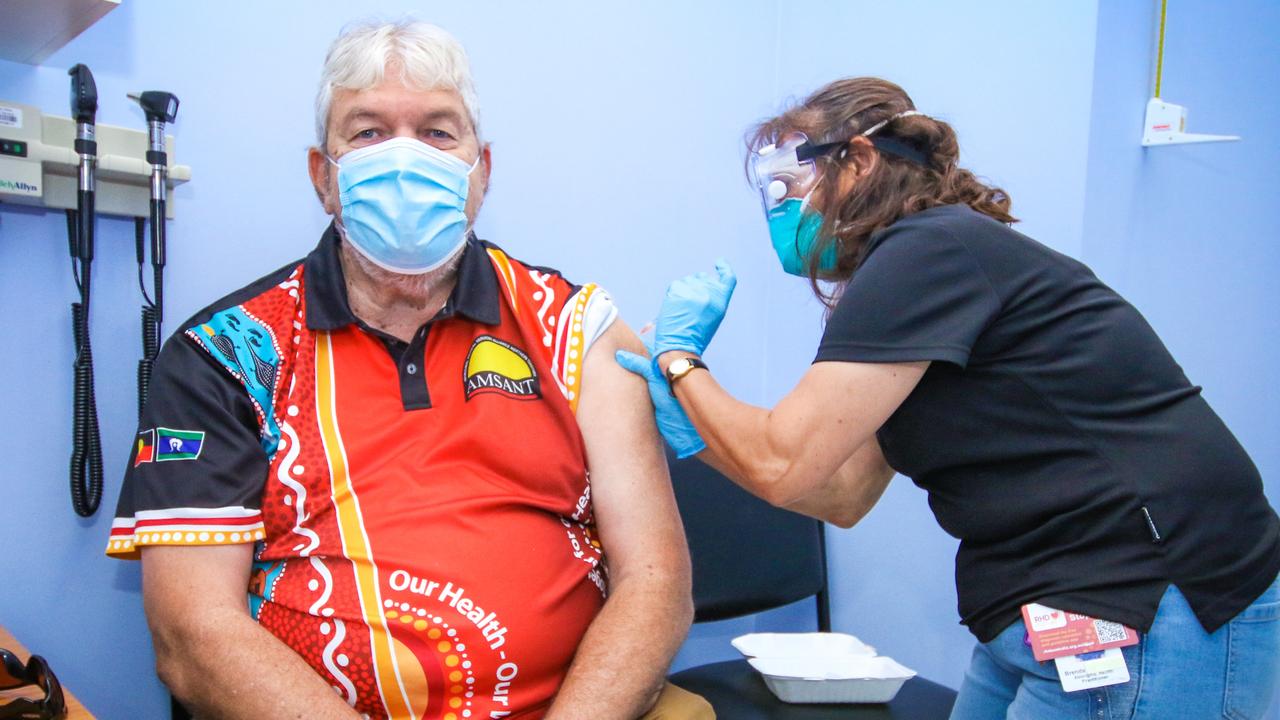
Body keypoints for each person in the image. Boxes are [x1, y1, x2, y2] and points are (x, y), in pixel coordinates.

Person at [617, 77, 1280, 719]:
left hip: (1146, 597)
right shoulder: (922, 269)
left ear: (861, 159)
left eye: (788, 184)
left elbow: (783, 463)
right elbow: (840, 493)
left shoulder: (927, 254)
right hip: (1040, 607)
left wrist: (679, 361)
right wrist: (695, 433)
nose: (780, 209)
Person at [104, 20, 711, 720]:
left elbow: (656, 581)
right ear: (322, 177)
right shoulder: (228, 354)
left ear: (481, 171)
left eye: (437, 132)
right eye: (366, 132)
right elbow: (192, 633)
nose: (403, 158)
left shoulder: (577, 329)